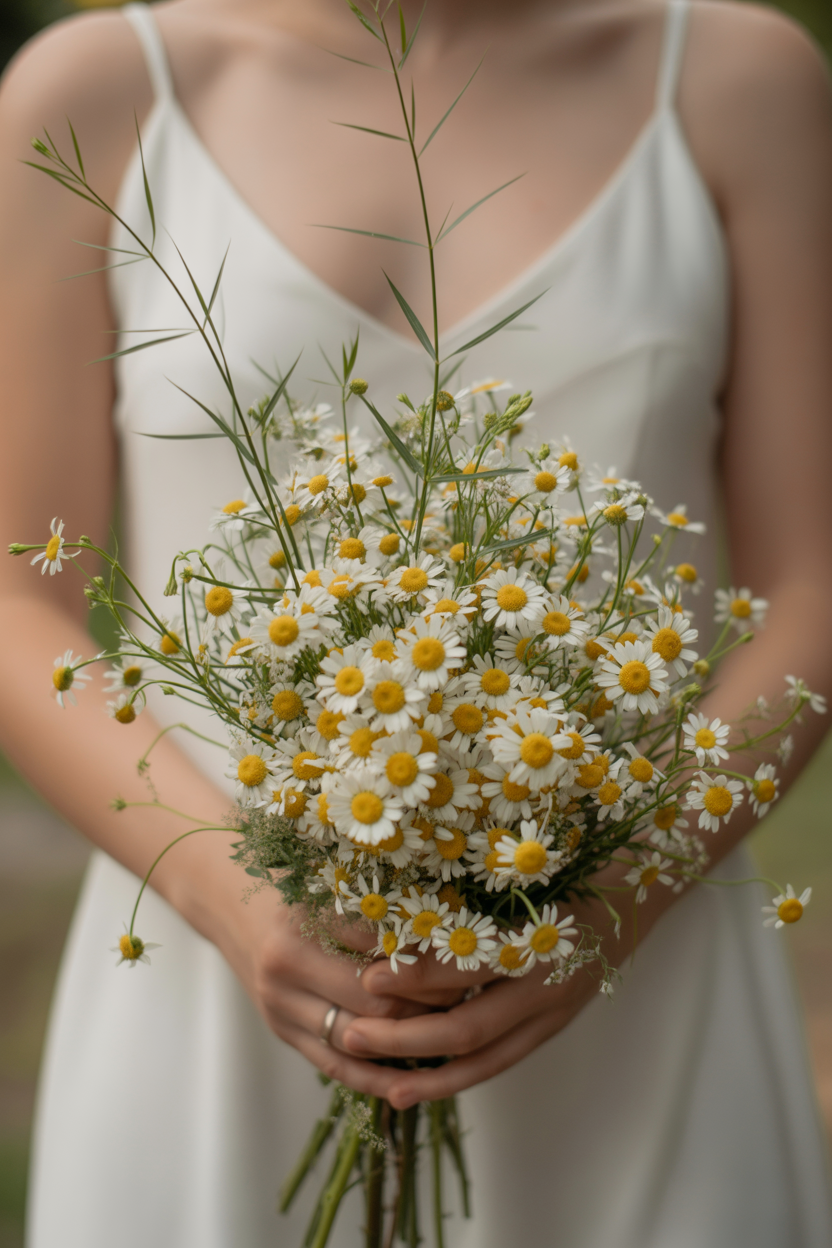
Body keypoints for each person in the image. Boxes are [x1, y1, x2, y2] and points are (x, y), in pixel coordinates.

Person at [1, 0, 831, 1243]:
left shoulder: (736, 75)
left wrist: (611, 898)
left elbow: (811, 581)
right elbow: (17, 595)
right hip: (217, 972)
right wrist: (241, 899)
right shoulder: (98, 89)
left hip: (632, 980)